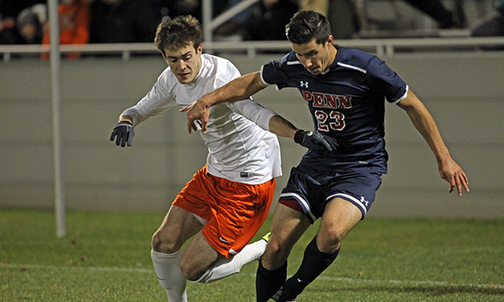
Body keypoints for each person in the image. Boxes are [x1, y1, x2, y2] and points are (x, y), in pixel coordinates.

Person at [183, 10, 470, 302]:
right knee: (275, 249)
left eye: (312, 53)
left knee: (331, 232)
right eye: (300, 55)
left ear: (329, 41)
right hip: (317, 163)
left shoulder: (365, 67)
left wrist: (443, 158)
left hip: (361, 167)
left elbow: (413, 105)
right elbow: (250, 83)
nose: (307, 63)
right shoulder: (294, 64)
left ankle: (290, 292)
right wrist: (205, 100)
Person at [109, 15, 337, 302]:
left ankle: (262, 248)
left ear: (199, 49)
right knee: (162, 242)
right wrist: (126, 121)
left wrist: (299, 135)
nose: (181, 66)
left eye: (186, 57)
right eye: (172, 60)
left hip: (248, 181)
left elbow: (255, 111)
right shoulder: (170, 80)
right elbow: (140, 109)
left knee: (194, 269)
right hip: (215, 173)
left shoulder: (220, 75)